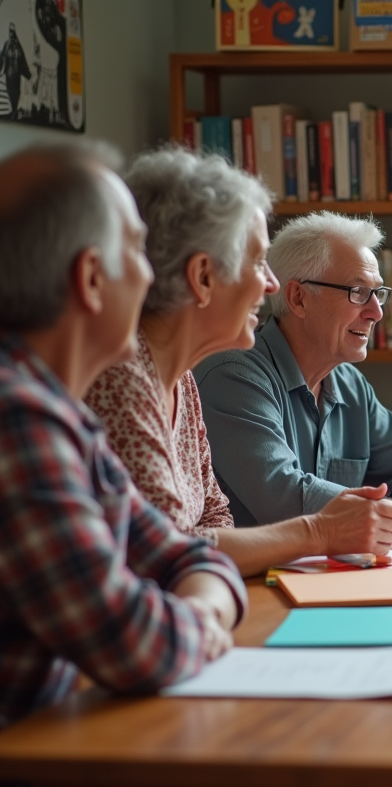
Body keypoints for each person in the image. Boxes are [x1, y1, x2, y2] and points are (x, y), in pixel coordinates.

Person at [0, 141, 245, 729]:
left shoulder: (61, 414)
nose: (150, 275)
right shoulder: (18, 419)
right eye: (136, 250)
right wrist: (204, 618)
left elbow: (181, 552)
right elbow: (131, 640)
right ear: (91, 278)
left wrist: (200, 603)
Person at [85, 149, 392, 577]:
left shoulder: (181, 379)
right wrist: (319, 531)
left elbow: (215, 522)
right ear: (203, 277)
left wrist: (213, 579)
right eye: (257, 262)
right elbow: (166, 554)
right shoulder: (123, 383)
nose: (271, 284)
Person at [195, 211, 392, 534]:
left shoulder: (349, 384)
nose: (376, 313)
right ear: (298, 298)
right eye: (357, 292)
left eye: (378, 293)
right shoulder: (233, 377)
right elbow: (285, 499)